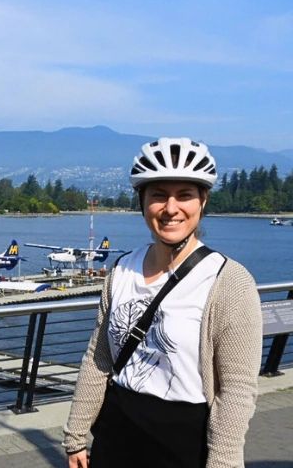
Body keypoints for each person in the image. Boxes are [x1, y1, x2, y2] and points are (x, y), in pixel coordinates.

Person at [63, 137, 262, 468]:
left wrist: (223, 462)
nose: (171, 208)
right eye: (158, 195)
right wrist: (76, 436)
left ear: (203, 201)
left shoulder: (229, 282)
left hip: (184, 439)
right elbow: (98, 359)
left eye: (184, 195)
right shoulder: (122, 270)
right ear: (142, 201)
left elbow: (237, 392)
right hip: (117, 430)